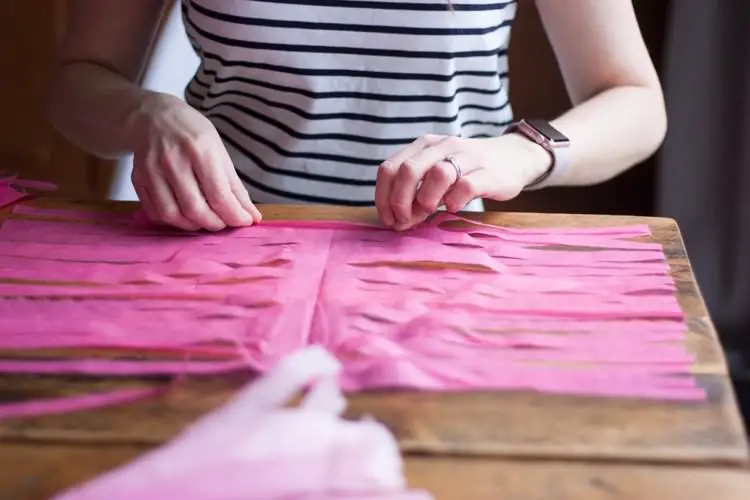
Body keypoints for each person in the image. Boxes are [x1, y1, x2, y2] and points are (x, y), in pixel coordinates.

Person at [48, 0, 666, 232]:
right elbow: (78, 81)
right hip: (218, 248)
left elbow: (636, 101)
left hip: (438, 260)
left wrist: (523, 150)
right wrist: (146, 115)